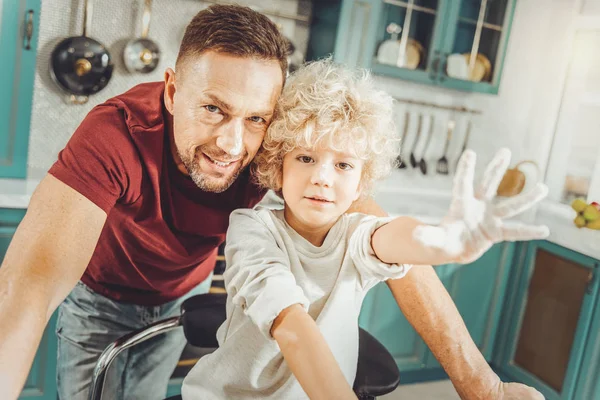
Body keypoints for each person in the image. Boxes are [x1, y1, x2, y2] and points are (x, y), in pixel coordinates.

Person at [0, 4, 542, 400]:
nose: (231, 144)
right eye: (213, 109)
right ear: (171, 91)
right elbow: (29, 287)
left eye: (254, 118)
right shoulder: (116, 134)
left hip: (177, 293)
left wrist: (483, 386)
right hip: (100, 300)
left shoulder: (278, 150)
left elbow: (382, 235)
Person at [181, 59, 549, 399]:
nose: (322, 178)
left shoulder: (356, 234)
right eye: (306, 158)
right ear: (278, 167)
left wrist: (442, 241)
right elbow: (291, 324)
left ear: (361, 184)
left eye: (343, 165)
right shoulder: (252, 229)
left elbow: (390, 237)